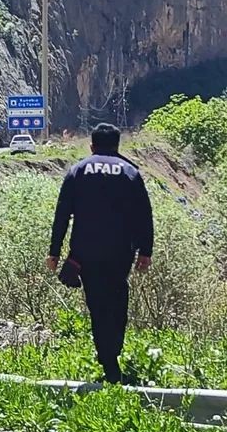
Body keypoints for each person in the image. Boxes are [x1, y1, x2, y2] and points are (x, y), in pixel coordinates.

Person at [46, 124, 154, 385]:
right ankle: (112, 355)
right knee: (118, 300)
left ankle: (108, 361)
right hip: (120, 253)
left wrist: (54, 252)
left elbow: (62, 215)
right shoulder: (130, 172)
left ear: (91, 146)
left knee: (97, 305)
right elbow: (144, 215)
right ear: (117, 146)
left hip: (86, 252)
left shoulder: (78, 171)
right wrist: (146, 251)